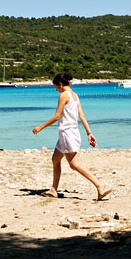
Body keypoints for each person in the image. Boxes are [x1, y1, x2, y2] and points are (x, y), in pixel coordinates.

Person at [31, 72, 112, 201]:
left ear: (61, 84)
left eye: (56, 87)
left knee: (74, 164)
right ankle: (53, 190)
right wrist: (89, 133)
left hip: (67, 134)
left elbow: (57, 116)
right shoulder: (75, 96)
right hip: (71, 133)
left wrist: (40, 127)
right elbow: (82, 116)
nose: (56, 90)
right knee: (55, 159)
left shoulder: (64, 95)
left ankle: (99, 185)